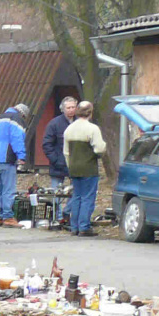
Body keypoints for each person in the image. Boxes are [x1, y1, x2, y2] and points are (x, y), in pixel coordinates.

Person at [63, 101, 106, 236]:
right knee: (87, 197)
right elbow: (99, 148)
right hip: (88, 167)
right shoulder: (92, 129)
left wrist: (70, 166)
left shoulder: (69, 129)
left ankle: (74, 227)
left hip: (74, 167)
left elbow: (66, 152)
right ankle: (84, 227)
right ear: (90, 113)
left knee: (77, 196)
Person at [0, 103, 28, 223]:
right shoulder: (16, 119)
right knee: (8, 188)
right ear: (23, 114)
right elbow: (17, 138)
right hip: (6, 157)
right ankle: (8, 216)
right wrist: (21, 156)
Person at [42, 97, 77, 192]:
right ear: (63, 109)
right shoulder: (54, 123)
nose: (71, 110)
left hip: (76, 164)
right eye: (68, 108)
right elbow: (47, 144)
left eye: (73, 107)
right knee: (56, 193)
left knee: (75, 193)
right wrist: (56, 160)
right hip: (58, 165)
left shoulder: (80, 123)